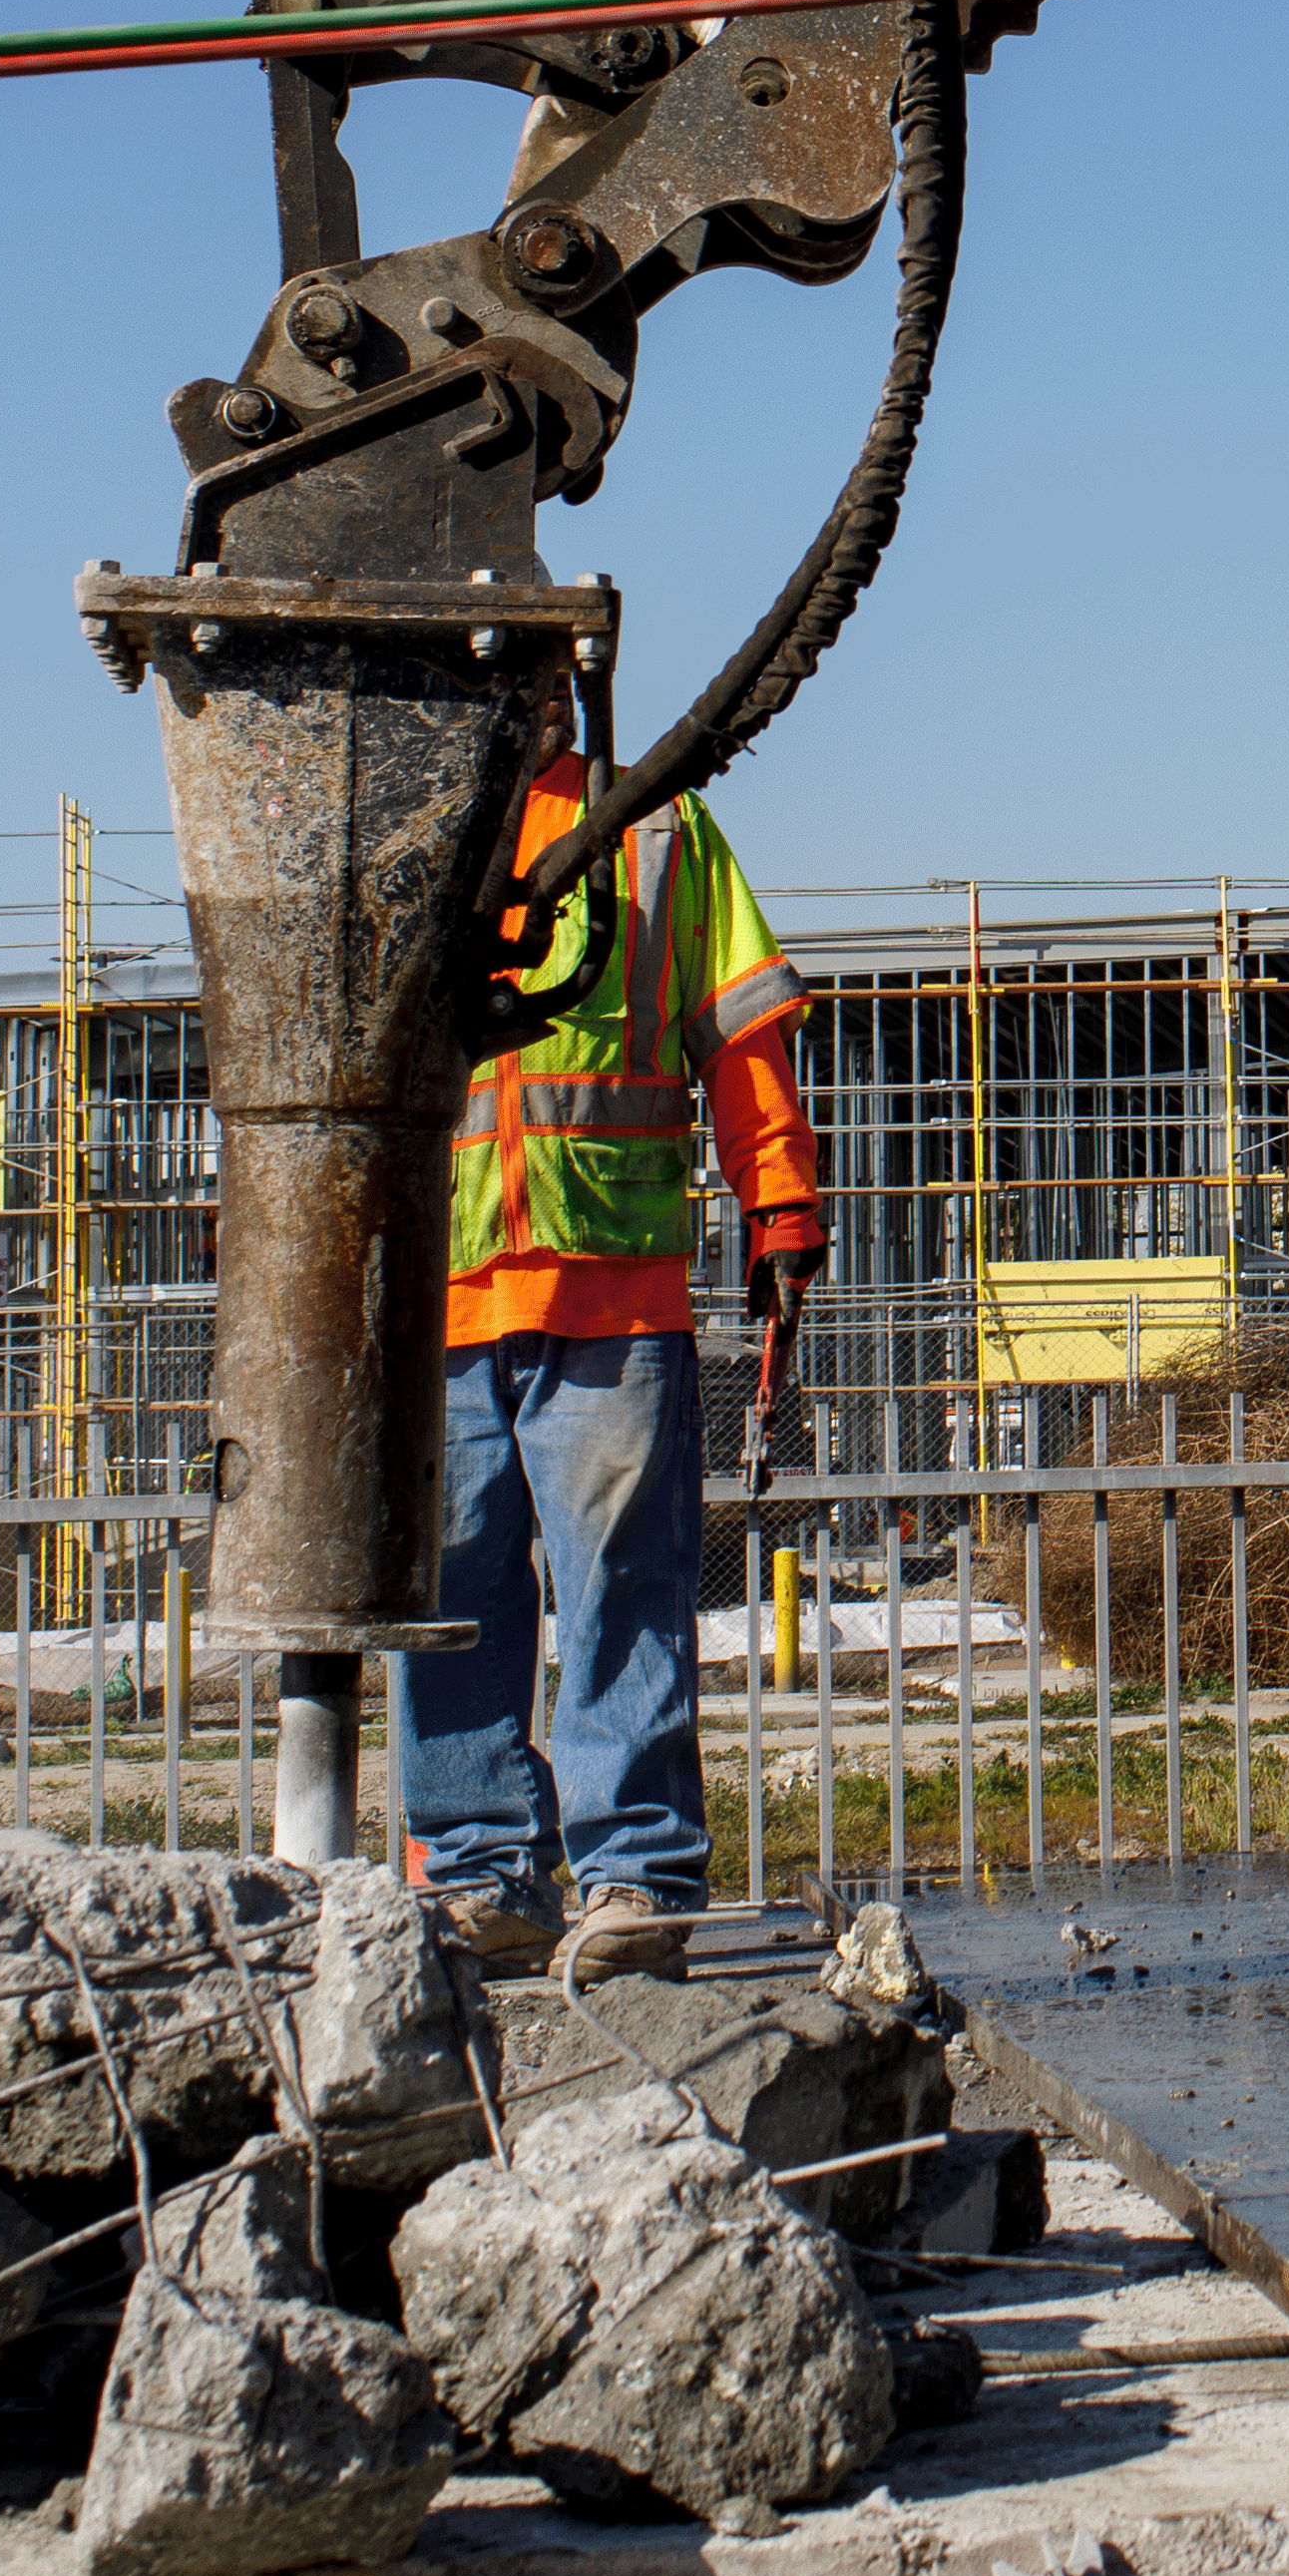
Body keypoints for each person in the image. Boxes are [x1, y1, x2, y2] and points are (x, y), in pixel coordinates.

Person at [399, 712, 827, 1987]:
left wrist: (782, 1201)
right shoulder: (414, 828)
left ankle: (633, 1872)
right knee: (450, 1599)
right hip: (442, 1285)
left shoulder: (650, 828)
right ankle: (481, 1873)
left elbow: (740, 1030)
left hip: (612, 1282)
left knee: (619, 1596)